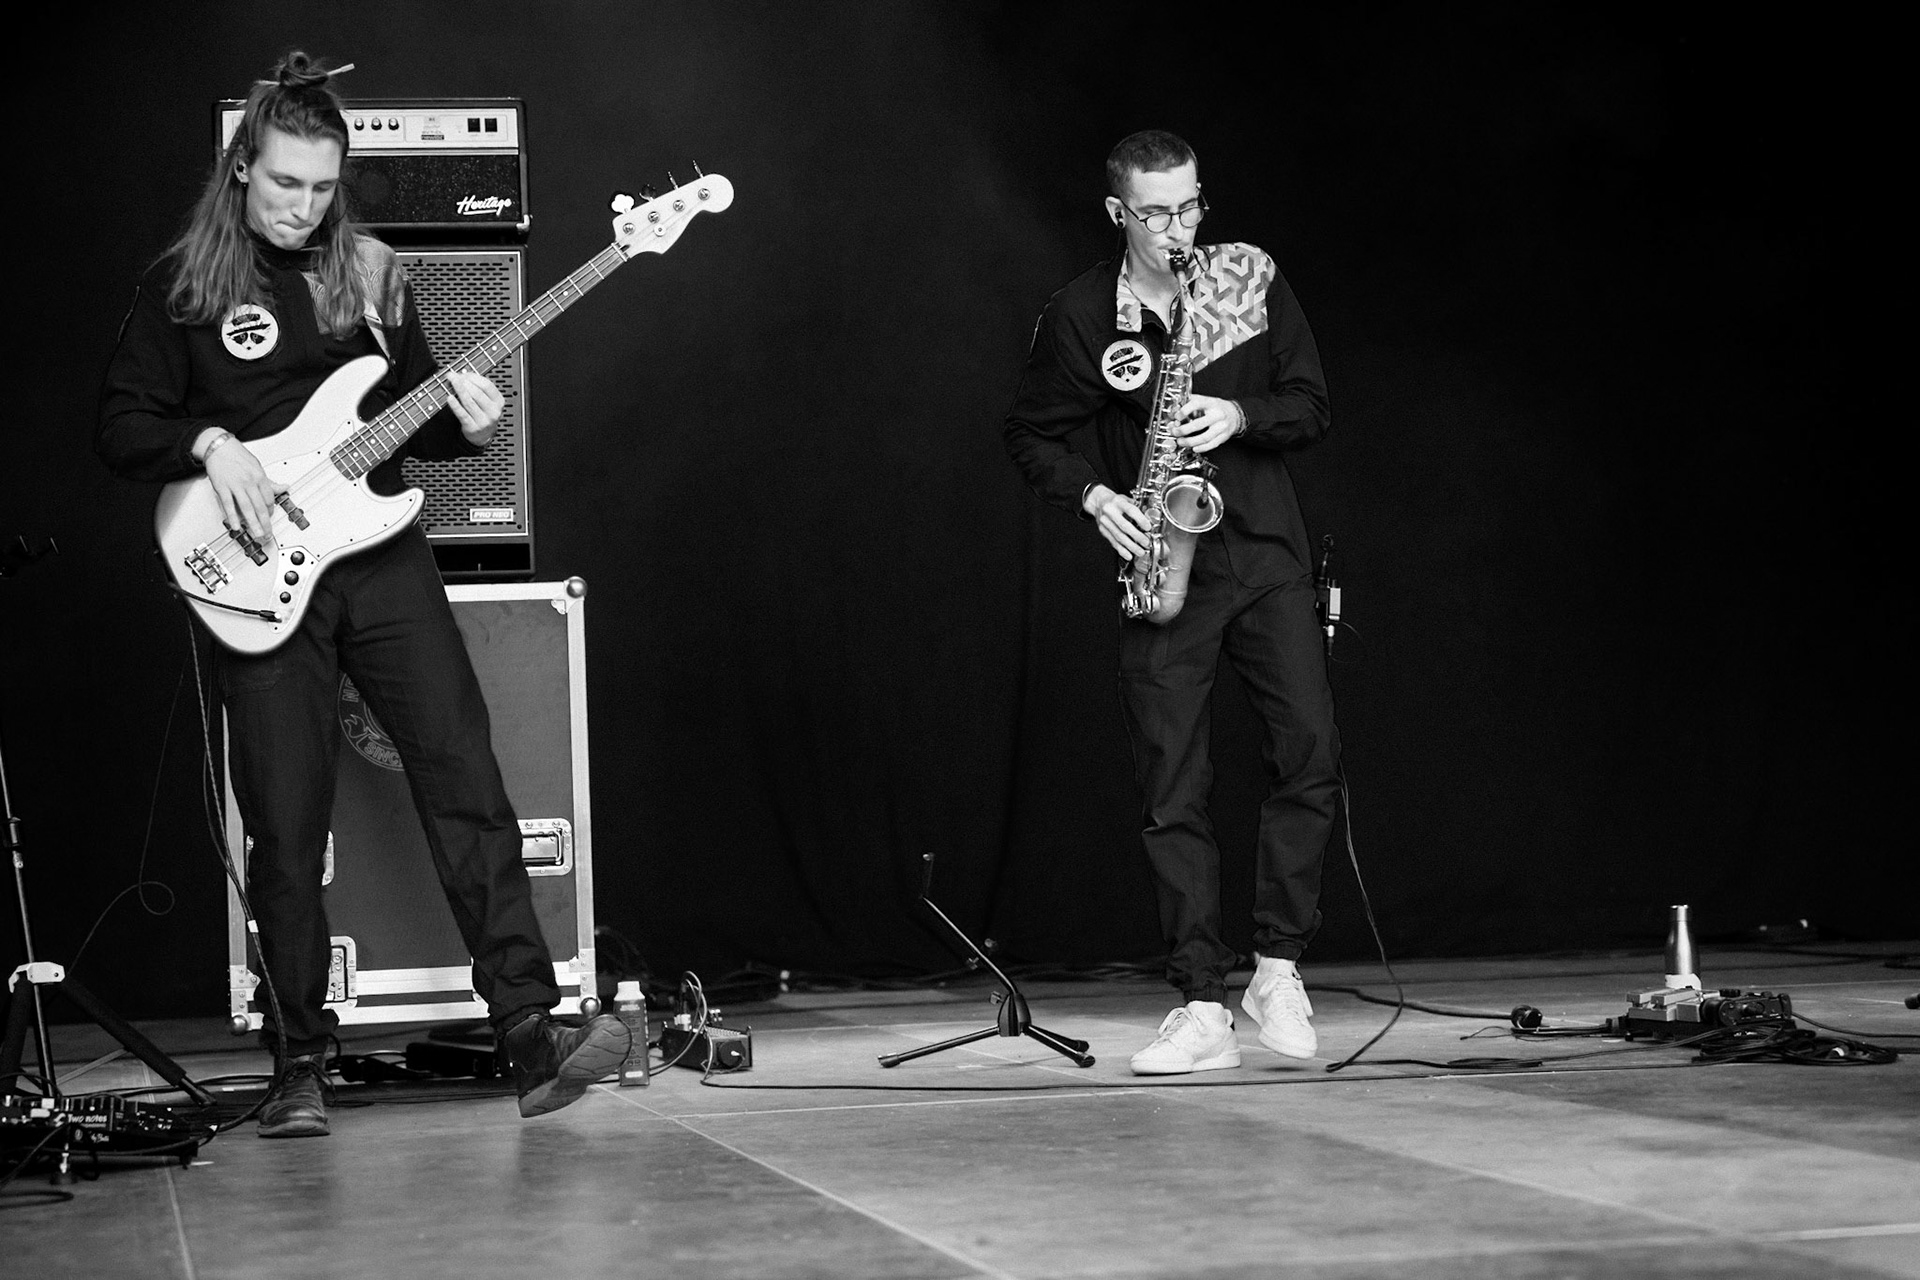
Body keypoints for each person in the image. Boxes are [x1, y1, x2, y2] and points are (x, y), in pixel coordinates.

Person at [96, 53, 628, 1135]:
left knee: (467, 774)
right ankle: (300, 1062)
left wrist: (470, 421)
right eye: (284, 182)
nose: (303, 205)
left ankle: (530, 1027)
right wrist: (209, 442)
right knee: (286, 824)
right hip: (260, 576)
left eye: (322, 186)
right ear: (243, 169)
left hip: (383, 559)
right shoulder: (183, 289)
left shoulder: (376, 274)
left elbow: (422, 410)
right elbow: (119, 426)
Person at [1003, 130, 1340, 1074]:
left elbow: (1310, 404)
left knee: (1309, 753)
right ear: (1119, 214)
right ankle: (1200, 999)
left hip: (1268, 552)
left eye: (1191, 206)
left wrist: (1240, 415)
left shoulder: (1245, 277)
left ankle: (1278, 966)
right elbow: (1031, 434)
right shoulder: (1078, 314)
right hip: (1167, 562)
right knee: (1171, 788)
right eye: (1156, 213)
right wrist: (1096, 495)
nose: (1179, 229)